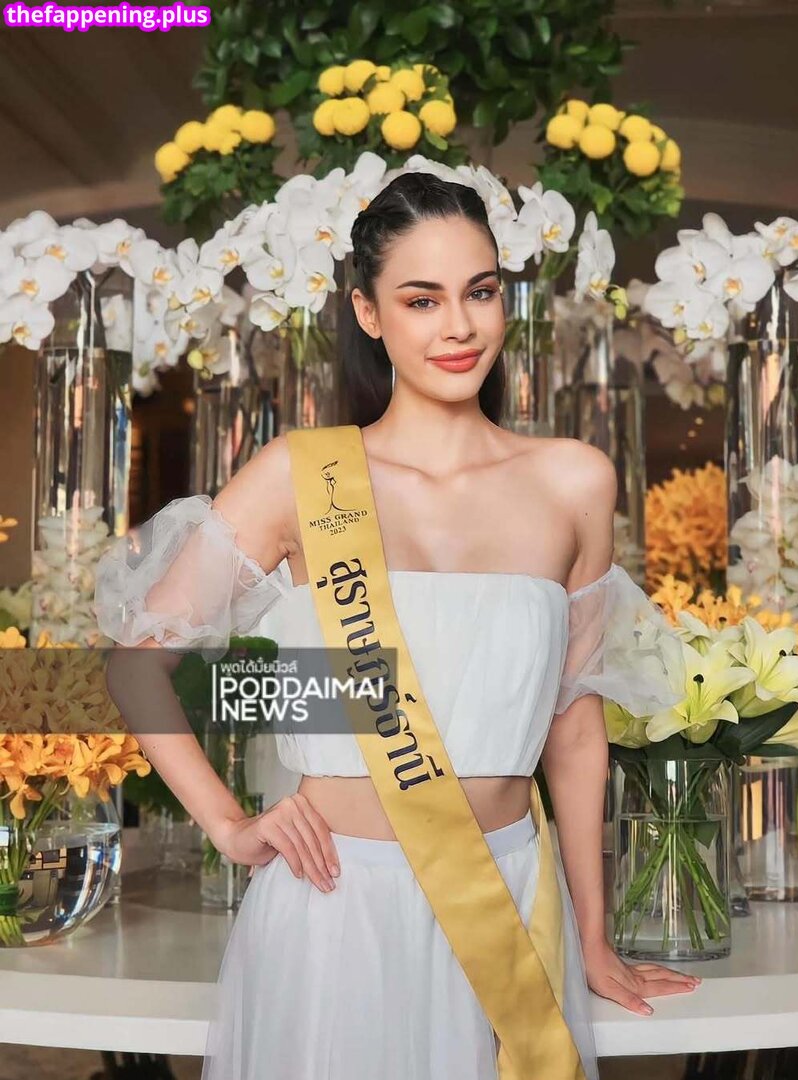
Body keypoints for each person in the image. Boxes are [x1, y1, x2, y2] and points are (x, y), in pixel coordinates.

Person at [94, 171, 700, 1080]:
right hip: (336, 906)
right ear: (368, 313)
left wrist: (592, 936)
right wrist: (228, 825)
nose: (458, 327)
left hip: (509, 898)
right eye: (421, 300)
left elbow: (575, 730)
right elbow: (134, 666)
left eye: (479, 292)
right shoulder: (299, 475)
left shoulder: (573, 480)